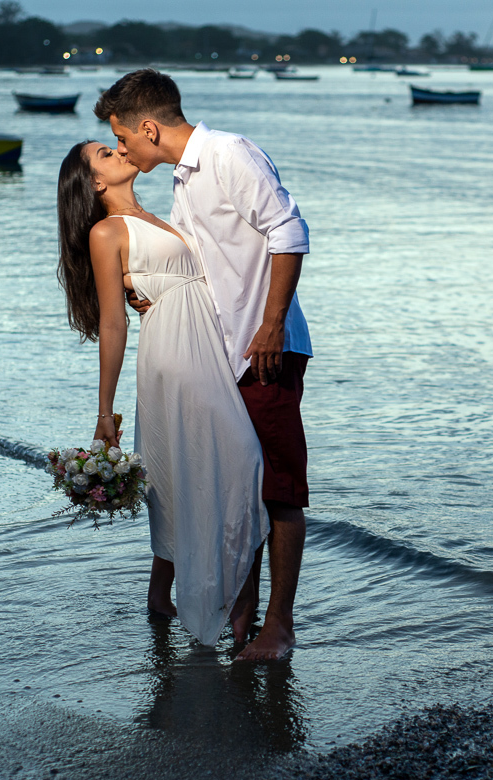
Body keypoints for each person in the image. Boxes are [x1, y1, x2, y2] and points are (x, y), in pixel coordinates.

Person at [95, 69, 312, 661]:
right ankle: (243, 612)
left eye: (123, 137)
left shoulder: (226, 154)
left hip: (263, 348)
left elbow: (289, 232)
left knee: (278, 488)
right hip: (221, 357)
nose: (125, 150)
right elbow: (197, 264)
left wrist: (271, 326)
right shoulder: (183, 183)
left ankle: (279, 627)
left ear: (146, 127)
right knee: (239, 483)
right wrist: (151, 291)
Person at [56, 140, 269, 648]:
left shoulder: (162, 212)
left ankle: (162, 593)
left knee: (179, 469)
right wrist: (105, 412)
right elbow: (112, 322)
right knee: (245, 461)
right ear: (96, 183)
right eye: (106, 153)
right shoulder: (107, 232)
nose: (120, 149)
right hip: (173, 351)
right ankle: (238, 603)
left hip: (207, 346)